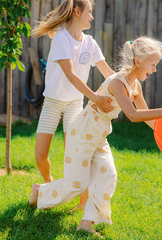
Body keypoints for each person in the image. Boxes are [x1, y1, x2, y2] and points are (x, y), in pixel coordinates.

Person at [29, 36, 162, 234]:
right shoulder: (117, 83)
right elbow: (133, 115)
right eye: (153, 64)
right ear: (138, 61)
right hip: (82, 132)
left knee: (109, 176)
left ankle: (86, 223)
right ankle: (40, 191)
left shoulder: (136, 86)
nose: (154, 70)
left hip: (99, 135)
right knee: (76, 184)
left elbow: (148, 117)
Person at [31, 0, 115, 209]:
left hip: (74, 104)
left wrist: (126, 81)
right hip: (52, 102)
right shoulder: (60, 39)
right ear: (77, 12)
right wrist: (95, 98)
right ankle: (47, 188)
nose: (92, 17)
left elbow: (107, 72)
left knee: (78, 154)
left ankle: (82, 202)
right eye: (90, 12)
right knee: (40, 155)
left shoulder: (90, 43)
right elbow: (70, 75)